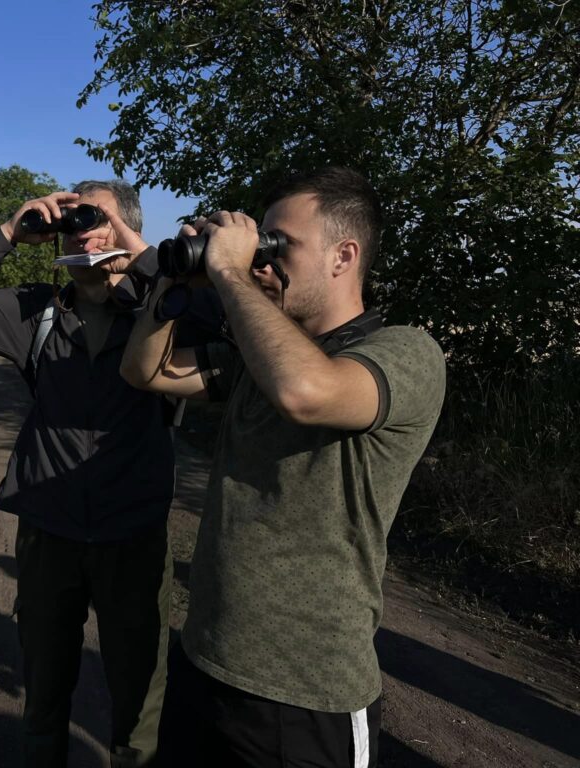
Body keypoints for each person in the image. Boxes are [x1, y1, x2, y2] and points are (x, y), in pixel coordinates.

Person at [109, 167, 446, 767]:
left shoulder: (404, 351)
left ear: (345, 256)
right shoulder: (256, 358)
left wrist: (230, 272)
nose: (261, 261)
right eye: (258, 243)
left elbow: (307, 391)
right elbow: (145, 372)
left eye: (277, 245)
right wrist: (171, 285)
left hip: (307, 695)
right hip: (207, 659)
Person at [0, 180, 174, 767]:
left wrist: (137, 249)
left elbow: (218, 318)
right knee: (46, 688)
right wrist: (11, 232)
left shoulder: (160, 308)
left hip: (132, 532)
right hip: (48, 530)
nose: (83, 226)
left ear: (126, 225)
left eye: (97, 216)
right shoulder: (36, 310)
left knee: (140, 697)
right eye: (73, 218)